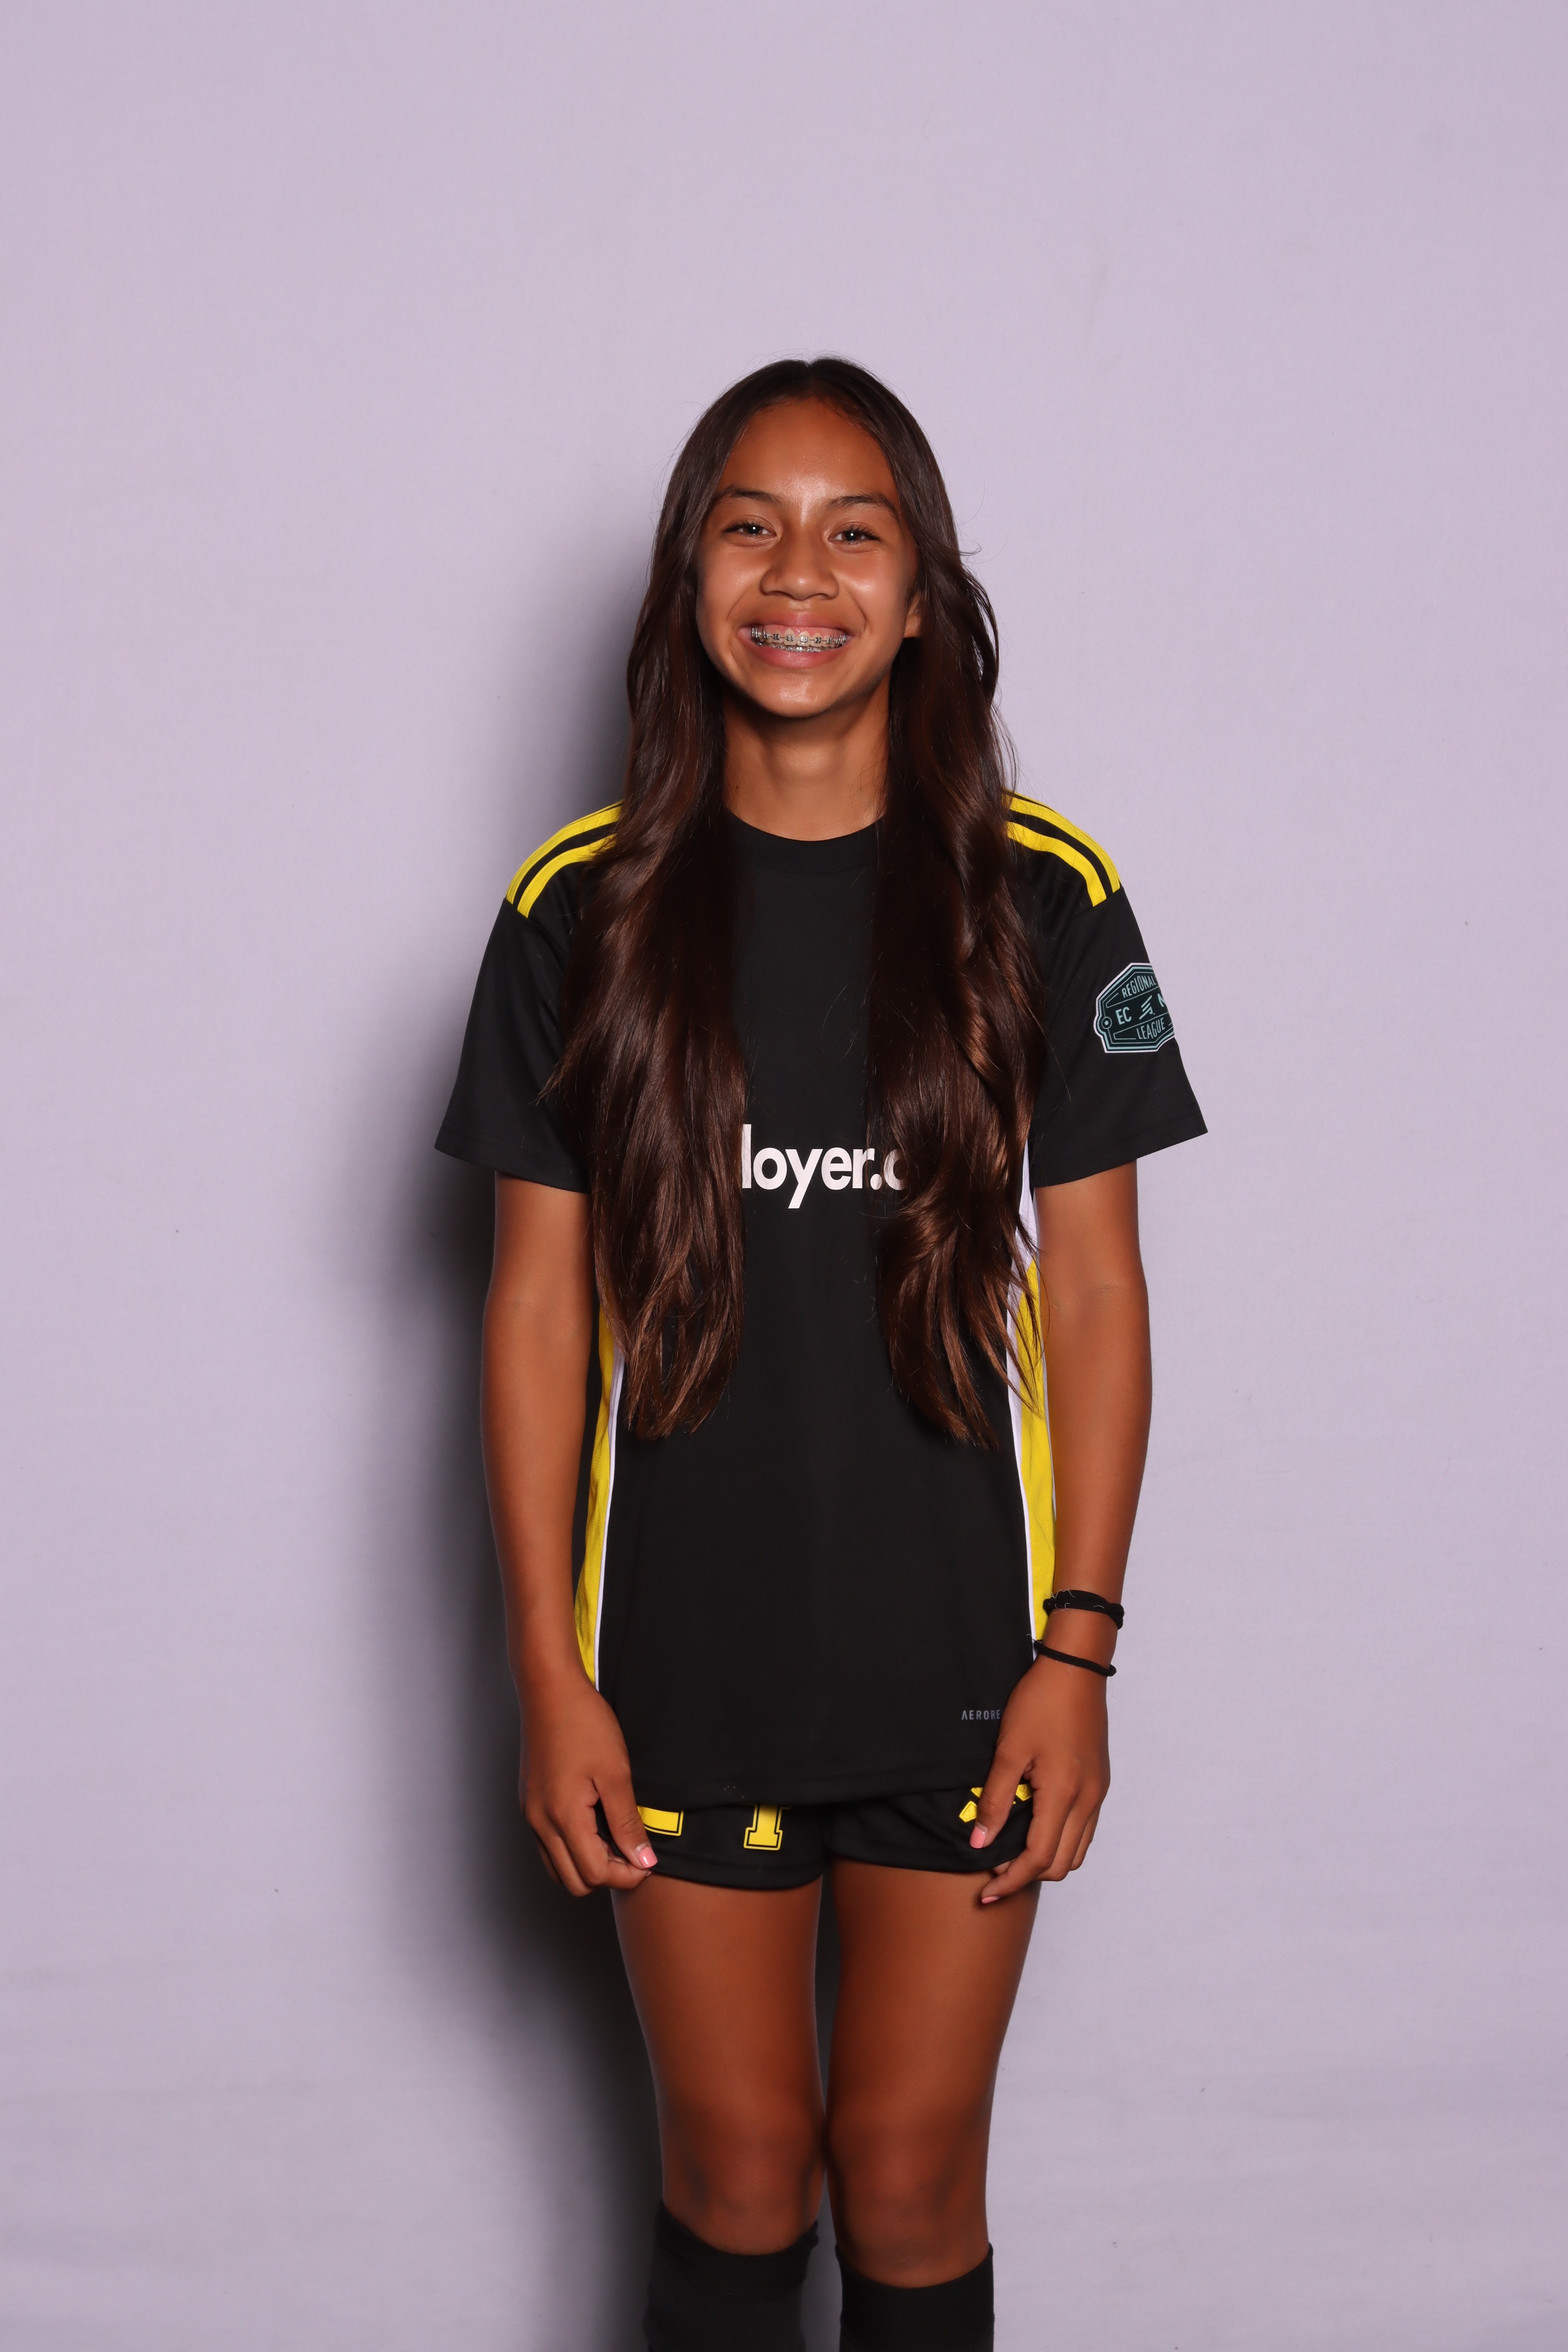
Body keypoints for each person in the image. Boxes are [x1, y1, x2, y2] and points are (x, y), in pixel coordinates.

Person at [436, 357, 1205, 2352]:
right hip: (678, 1666)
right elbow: (532, 1309)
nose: (799, 574)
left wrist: (1076, 1654)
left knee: (911, 2174)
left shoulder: (1041, 896)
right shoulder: (581, 910)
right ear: (686, 577)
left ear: (922, 593)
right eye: (748, 526)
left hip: (965, 1663)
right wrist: (547, 1676)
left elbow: (1098, 1291)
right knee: (738, 2172)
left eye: (854, 532)